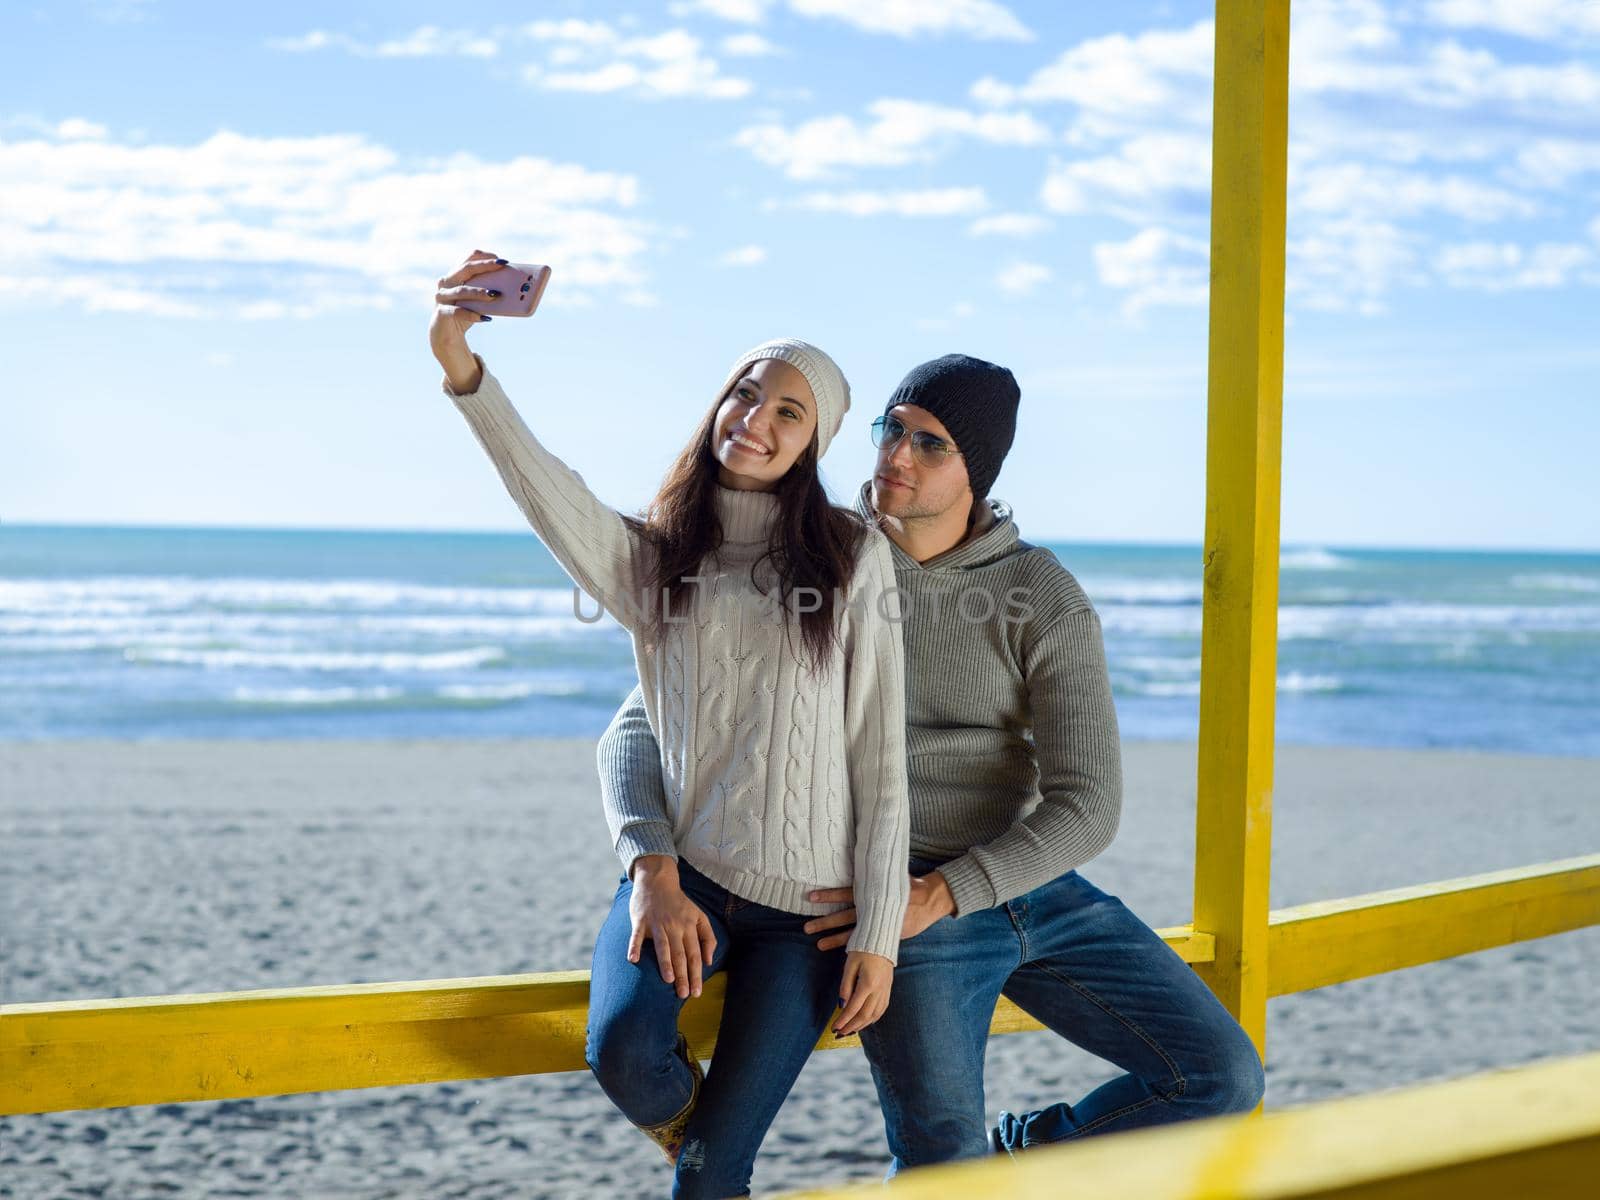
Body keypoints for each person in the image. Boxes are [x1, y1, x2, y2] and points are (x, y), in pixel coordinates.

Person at [599, 354, 1266, 1176]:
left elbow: (1089, 802)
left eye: (930, 443)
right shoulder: (813, 559)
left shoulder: (1040, 592)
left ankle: (1023, 1156)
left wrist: (950, 891)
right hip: (887, 896)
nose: (895, 456)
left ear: (976, 472)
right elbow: (646, 721)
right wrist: (650, 864)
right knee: (940, 1158)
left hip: (1020, 882)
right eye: (891, 430)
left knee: (1223, 1077)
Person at [429, 250, 910, 1198]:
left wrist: (880, 936)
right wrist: (462, 367)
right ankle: (701, 1146)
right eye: (746, 394)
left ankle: (707, 1159)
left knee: (709, 1172)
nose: (756, 421)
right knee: (620, 1050)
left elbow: (880, 759)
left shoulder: (855, 557)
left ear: (816, 441)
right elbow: (547, 489)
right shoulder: (658, 554)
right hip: (684, 881)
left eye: (788, 412)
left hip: (807, 924)